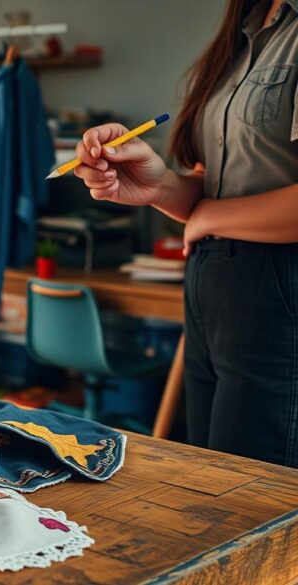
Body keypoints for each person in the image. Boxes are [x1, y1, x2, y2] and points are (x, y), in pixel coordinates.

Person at [69, 0, 298, 467]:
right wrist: (156, 185)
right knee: (211, 481)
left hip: (277, 292)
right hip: (214, 287)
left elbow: (210, 210)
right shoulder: (252, 27)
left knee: (249, 499)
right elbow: (212, 184)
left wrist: (210, 217)